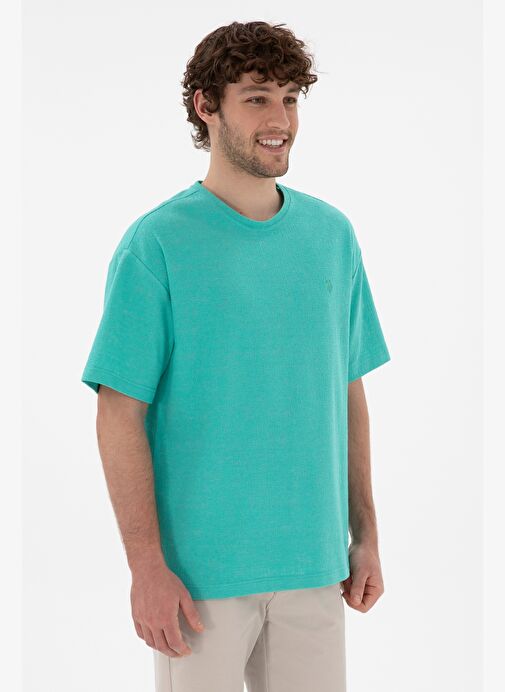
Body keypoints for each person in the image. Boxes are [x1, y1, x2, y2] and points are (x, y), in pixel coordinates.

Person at [81, 20, 391, 692]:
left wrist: (365, 533)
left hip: (315, 567)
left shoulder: (332, 235)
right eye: (256, 98)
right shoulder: (156, 245)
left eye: (289, 98)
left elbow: (347, 389)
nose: (280, 120)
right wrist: (146, 567)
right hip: (200, 580)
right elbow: (118, 412)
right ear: (206, 106)